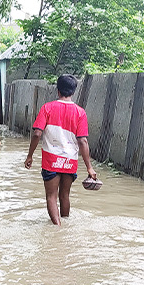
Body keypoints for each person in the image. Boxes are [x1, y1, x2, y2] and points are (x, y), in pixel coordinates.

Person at [24, 75, 97, 225]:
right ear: (73, 92)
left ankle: (57, 229)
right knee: (65, 195)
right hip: (70, 161)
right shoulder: (80, 112)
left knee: (51, 196)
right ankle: (65, 226)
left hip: (51, 160)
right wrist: (89, 167)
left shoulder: (47, 108)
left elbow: (37, 133)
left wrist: (29, 156)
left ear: (57, 90)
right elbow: (82, 141)